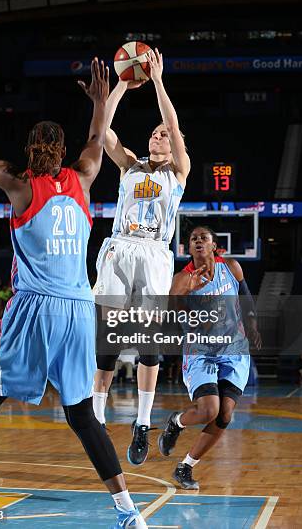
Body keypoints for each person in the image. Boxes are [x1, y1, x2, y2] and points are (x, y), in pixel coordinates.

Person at [0, 54, 147, 529]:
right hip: (78, 311)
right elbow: (97, 138)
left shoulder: (18, 184)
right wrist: (100, 99)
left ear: (31, 147)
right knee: (81, 417)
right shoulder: (85, 177)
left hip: (33, 309)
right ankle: (128, 512)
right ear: (62, 148)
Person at [88, 48, 190, 466]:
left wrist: (159, 82)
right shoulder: (129, 164)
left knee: (148, 342)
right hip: (118, 246)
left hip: (153, 254)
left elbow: (173, 123)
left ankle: (142, 423)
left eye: (164, 134)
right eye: (155, 132)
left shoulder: (178, 171)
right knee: (107, 338)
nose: (159, 135)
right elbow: (101, 131)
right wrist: (122, 87)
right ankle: (93, 417)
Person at [158, 226, 261, 489]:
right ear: (188, 249)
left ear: (215, 245)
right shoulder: (181, 279)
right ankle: (176, 422)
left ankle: (186, 467)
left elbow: (245, 297)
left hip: (234, 349)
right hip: (201, 351)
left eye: (203, 237)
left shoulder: (232, 267)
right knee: (209, 410)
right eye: (193, 239)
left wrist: (252, 324)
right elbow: (172, 314)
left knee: (224, 414)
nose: (198, 241)